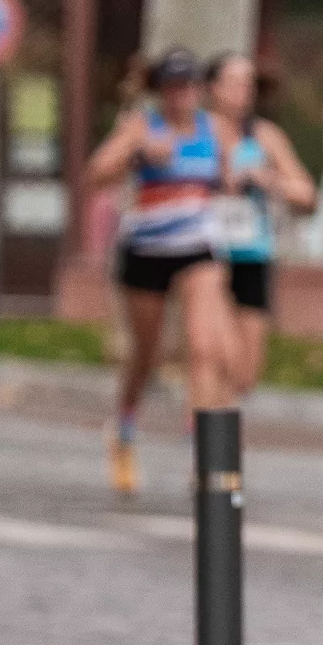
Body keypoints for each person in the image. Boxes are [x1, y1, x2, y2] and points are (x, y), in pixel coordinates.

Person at [83, 49, 238, 497]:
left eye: (188, 86)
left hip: (198, 246)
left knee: (204, 345)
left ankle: (204, 451)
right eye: (172, 87)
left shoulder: (216, 129)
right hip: (147, 247)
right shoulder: (139, 125)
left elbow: (229, 182)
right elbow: (97, 174)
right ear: (160, 91)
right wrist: (135, 149)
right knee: (146, 356)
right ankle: (125, 425)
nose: (181, 96)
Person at [204, 51, 319, 404]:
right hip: (203, 256)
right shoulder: (194, 133)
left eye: (248, 83)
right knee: (213, 352)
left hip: (251, 253)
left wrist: (269, 181)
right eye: (234, 82)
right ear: (213, 88)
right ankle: (207, 439)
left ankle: (217, 432)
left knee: (246, 371)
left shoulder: (265, 137)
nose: (244, 91)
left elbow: (307, 195)